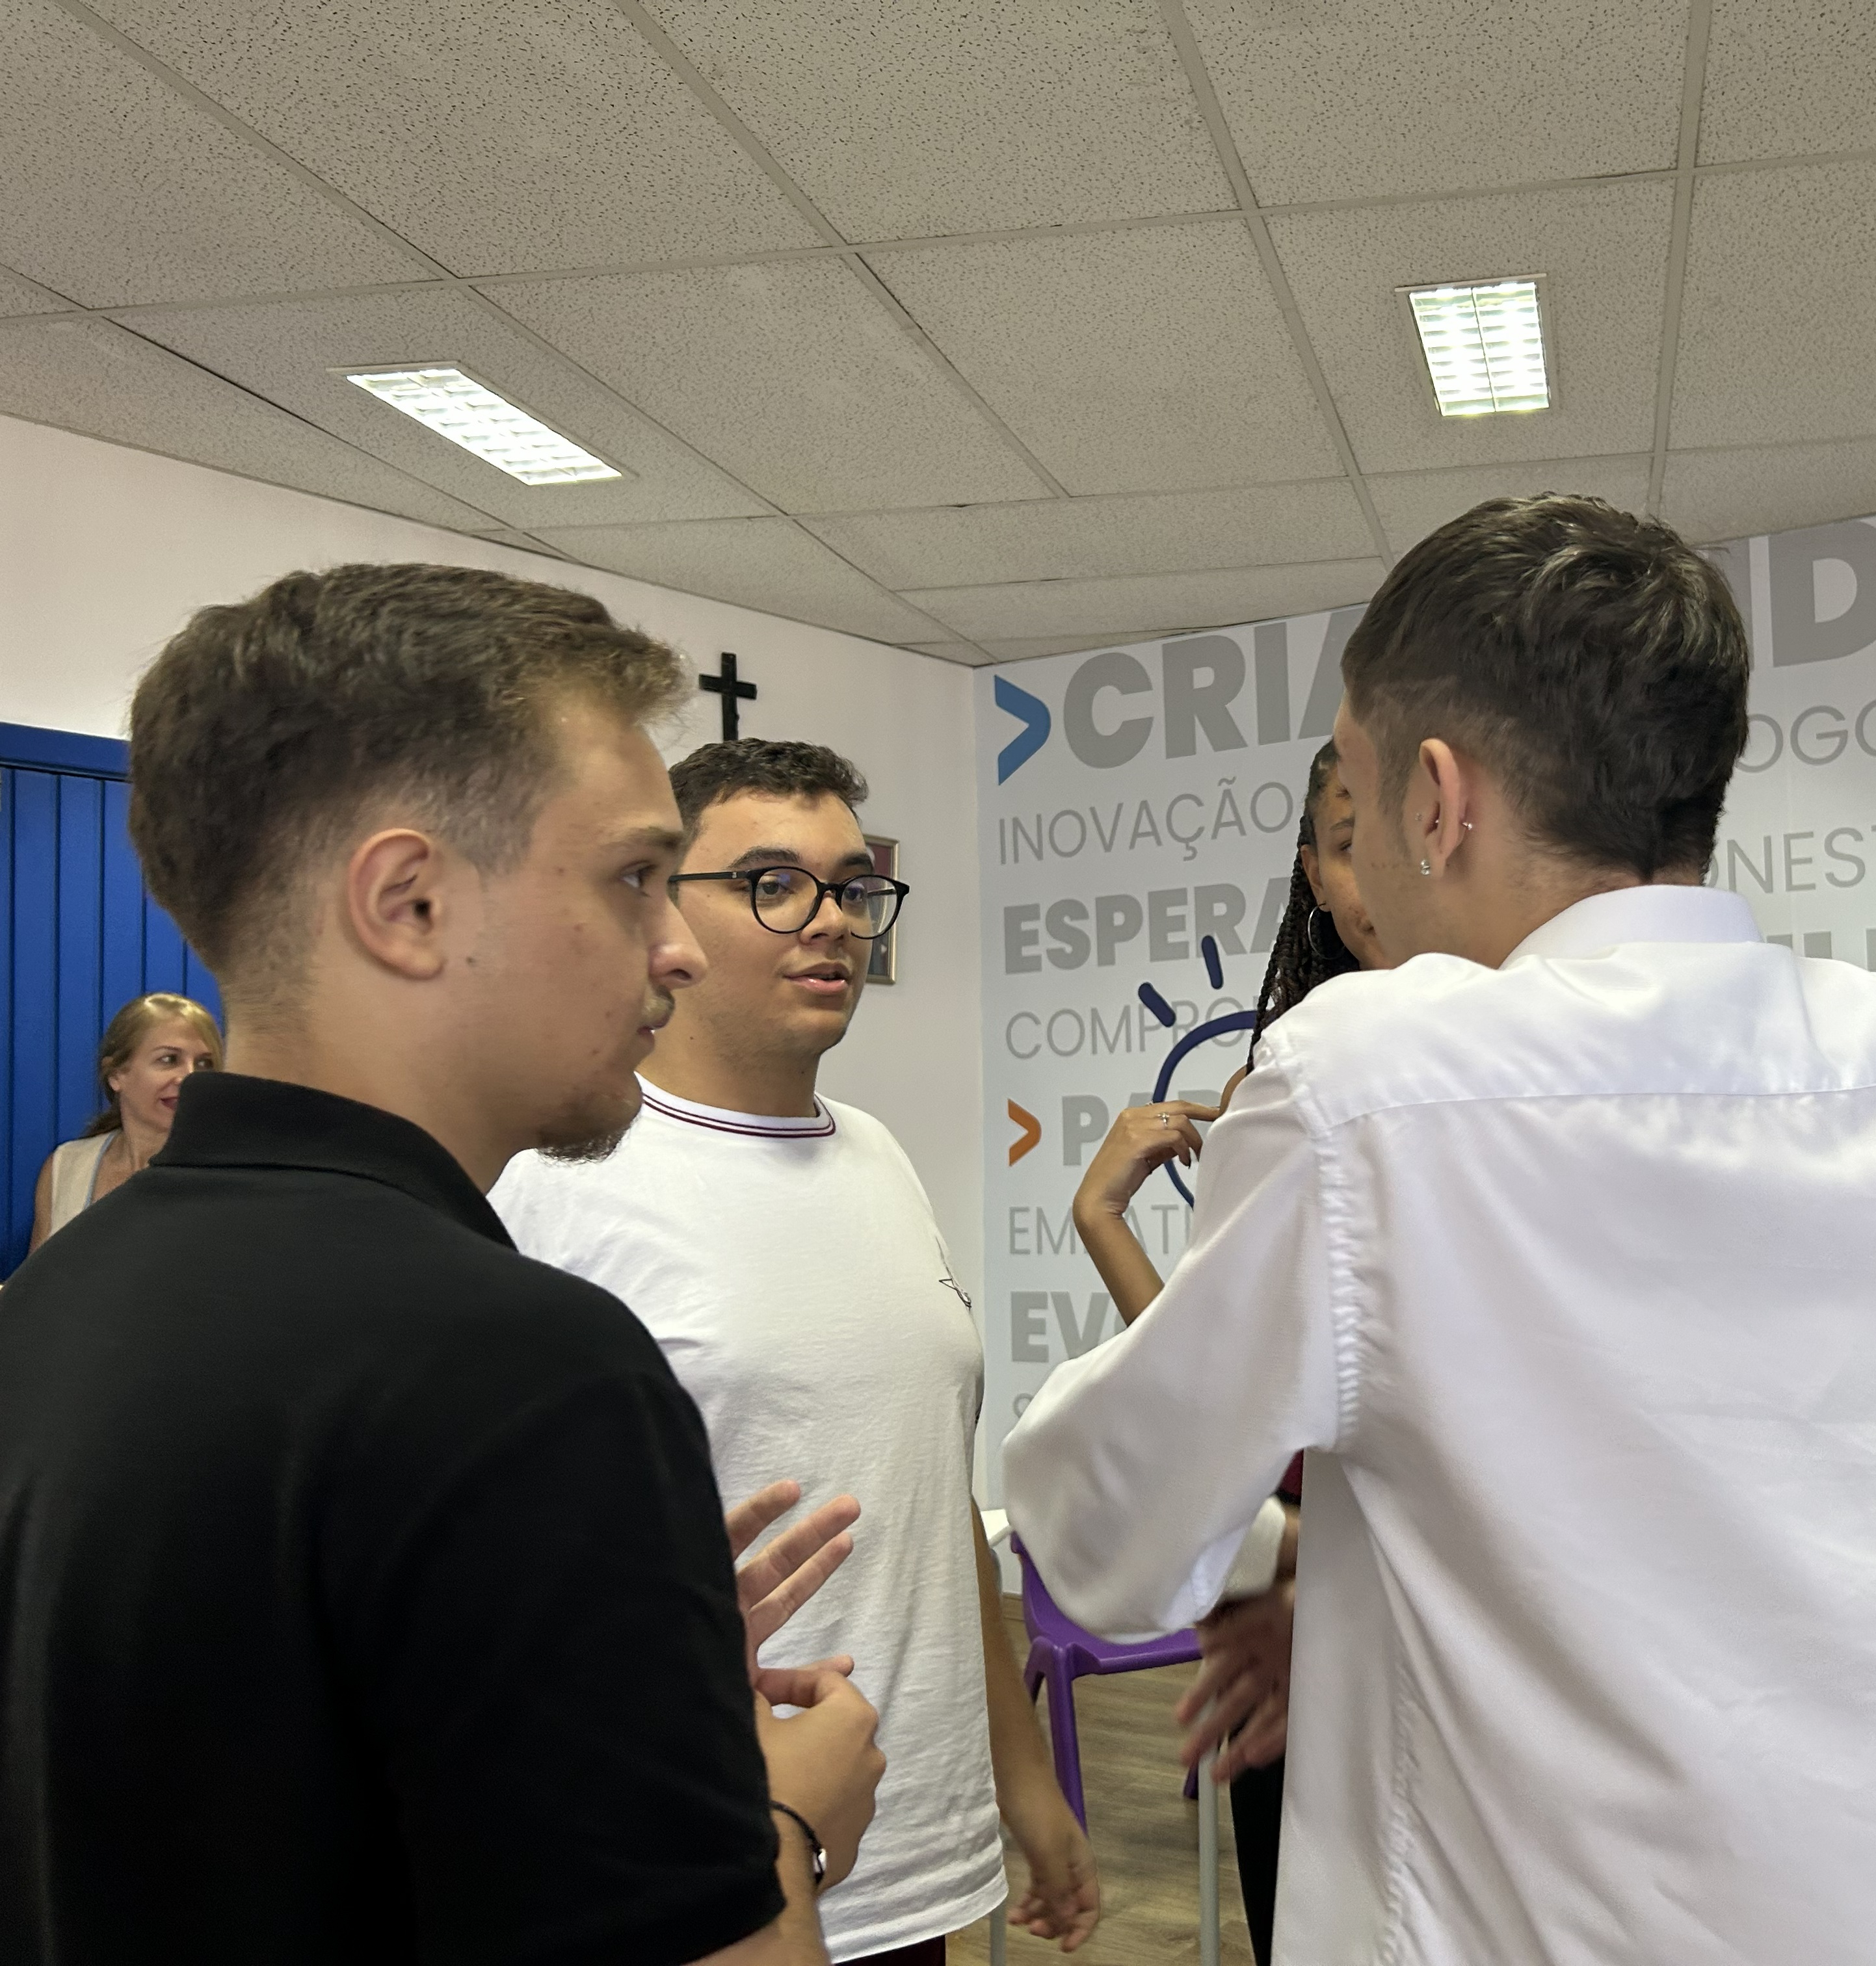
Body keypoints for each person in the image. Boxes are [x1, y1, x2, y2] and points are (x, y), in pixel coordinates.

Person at [1005, 495, 1876, 1964]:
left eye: (1360, 794)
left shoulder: (1370, 1083)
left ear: (1437, 800)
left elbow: (1109, 1534)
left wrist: (1257, 1534)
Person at [0, 564, 884, 1965]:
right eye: (633, 878)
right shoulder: (528, 1369)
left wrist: (633, 1673)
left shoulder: (51, 1308)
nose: (672, 948)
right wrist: (778, 1813)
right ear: (408, 902)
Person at [490, 739, 1100, 1965]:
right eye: (773, 883)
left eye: (853, 887)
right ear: (659, 905)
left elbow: (928, 1504)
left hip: (915, 1853)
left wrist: (1022, 1780)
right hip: (701, 1868)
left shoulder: (876, 1154)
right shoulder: (547, 1183)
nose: (830, 921)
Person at [1065, 739, 1383, 1965]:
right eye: (1349, 844)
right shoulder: (1279, 1086)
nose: (1383, 877)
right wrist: (1102, 1218)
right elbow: (1215, 1391)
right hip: (1293, 1598)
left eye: (1411, 837)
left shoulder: (1541, 1074)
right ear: (1312, 870)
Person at [28, 991, 220, 1251]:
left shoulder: (226, 1175)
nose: (190, 1078)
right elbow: (39, 1276)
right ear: (117, 1075)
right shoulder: (66, 1167)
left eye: (204, 1063)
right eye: (169, 1060)